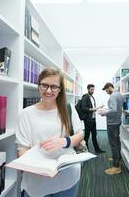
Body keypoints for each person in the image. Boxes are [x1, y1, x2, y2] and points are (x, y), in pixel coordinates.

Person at [15, 68, 84, 197]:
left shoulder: (68, 108)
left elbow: (80, 135)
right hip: (37, 182)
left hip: (68, 177)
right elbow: (22, 149)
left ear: (60, 89)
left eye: (53, 87)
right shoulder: (26, 114)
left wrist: (63, 142)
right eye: (44, 85)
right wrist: (34, 168)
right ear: (39, 85)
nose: (48, 91)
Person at [98, 82, 123, 175]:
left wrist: (103, 113)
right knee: (117, 141)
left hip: (112, 123)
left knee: (113, 143)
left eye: (106, 90)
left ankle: (116, 167)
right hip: (117, 121)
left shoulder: (113, 96)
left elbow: (114, 109)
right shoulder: (119, 94)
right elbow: (117, 108)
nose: (106, 92)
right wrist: (107, 110)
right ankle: (117, 157)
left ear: (109, 87)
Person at [81, 84, 105, 154]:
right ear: (88, 89)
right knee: (86, 137)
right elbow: (83, 108)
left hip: (93, 119)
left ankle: (97, 150)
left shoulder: (92, 97)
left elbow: (92, 108)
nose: (92, 91)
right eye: (91, 89)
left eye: (93, 89)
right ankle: (86, 151)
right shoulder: (85, 97)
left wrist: (97, 108)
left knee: (94, 135)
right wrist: (94, 109)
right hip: (88, 120)